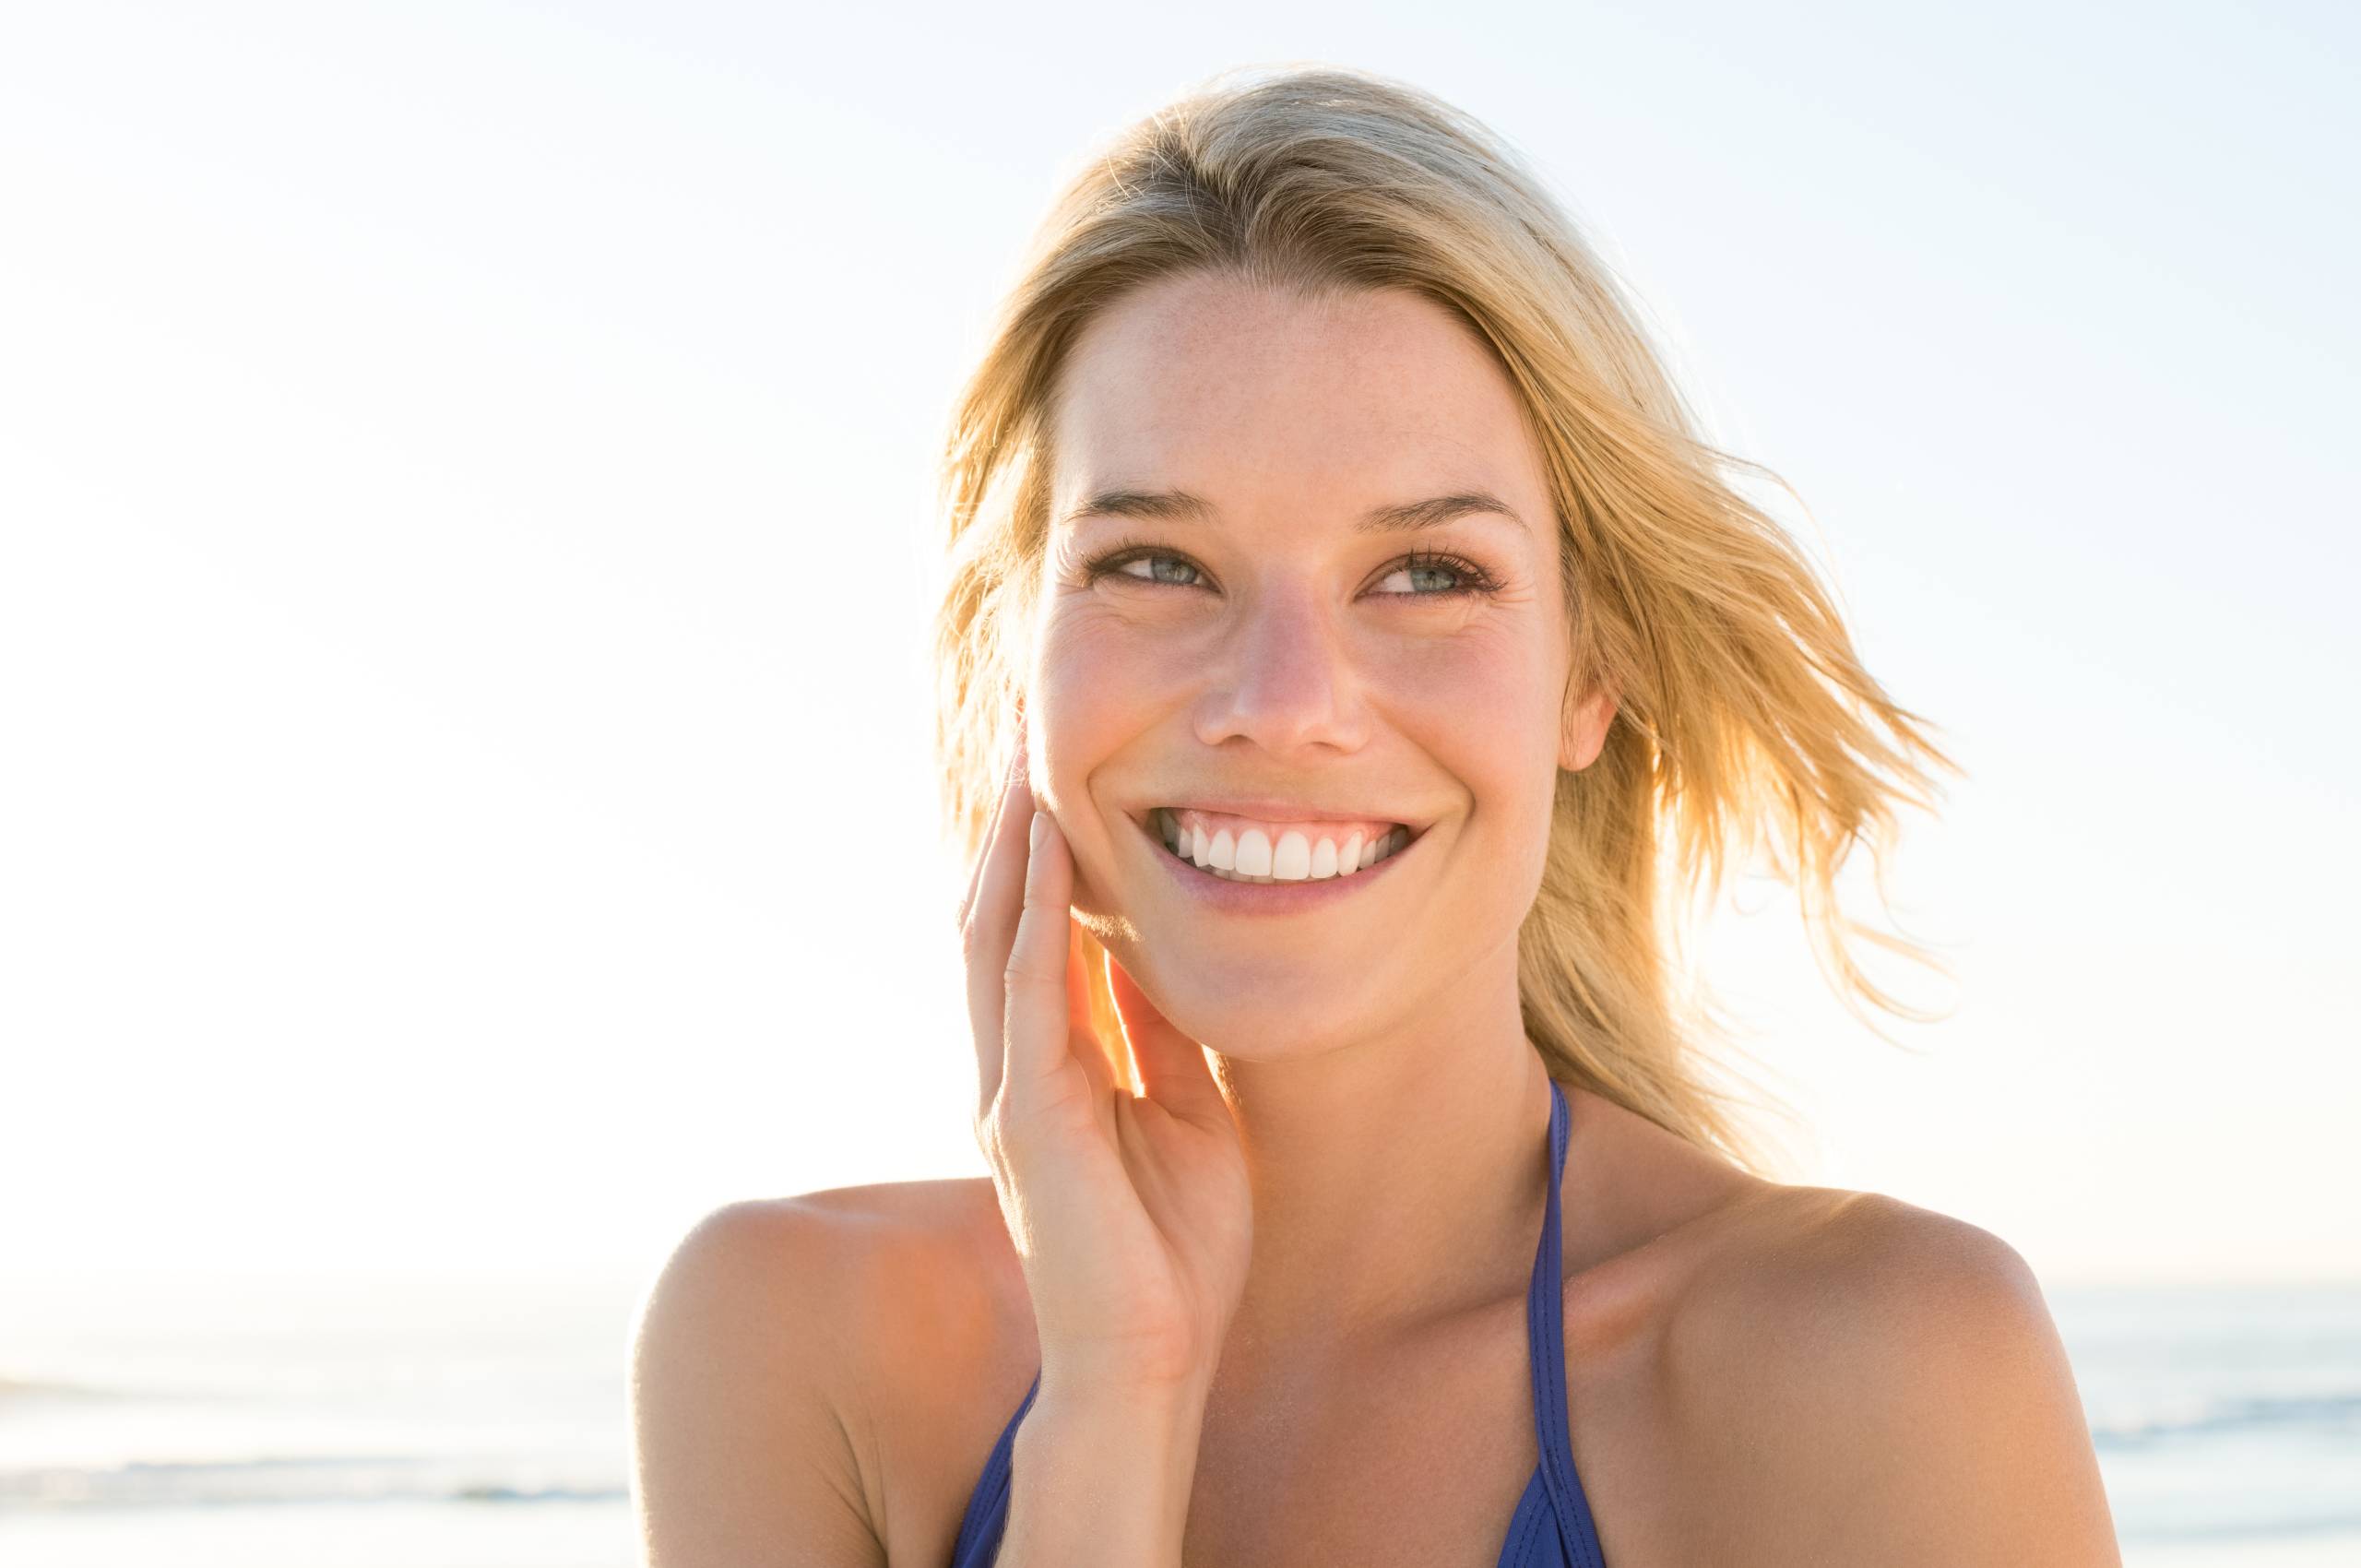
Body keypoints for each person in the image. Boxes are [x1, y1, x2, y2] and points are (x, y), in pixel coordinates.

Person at [629, 64, 2120, 1566]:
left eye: (1427, 575)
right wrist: (1113, 1401)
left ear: (1585, 678)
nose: (1282, 702)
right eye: (1155, 563)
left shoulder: (1878, 1371)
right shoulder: (792, 1344)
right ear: (1019, 641)